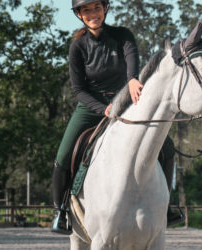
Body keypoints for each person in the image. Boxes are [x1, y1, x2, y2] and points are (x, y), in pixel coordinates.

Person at [51, 0, 184, 234]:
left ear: (105, 9)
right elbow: (78, 90)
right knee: (63, 154)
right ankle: (60, 210)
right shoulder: (78, 46)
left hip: (126, 101)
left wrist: (133, 78)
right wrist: (103, 109)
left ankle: (167, 205)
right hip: (91, 106)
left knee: (167, 147)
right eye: (87, 10)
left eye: (96, 8)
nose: (93, 13)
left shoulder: (123, 35)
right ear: (80, 15)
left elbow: (132, 59)